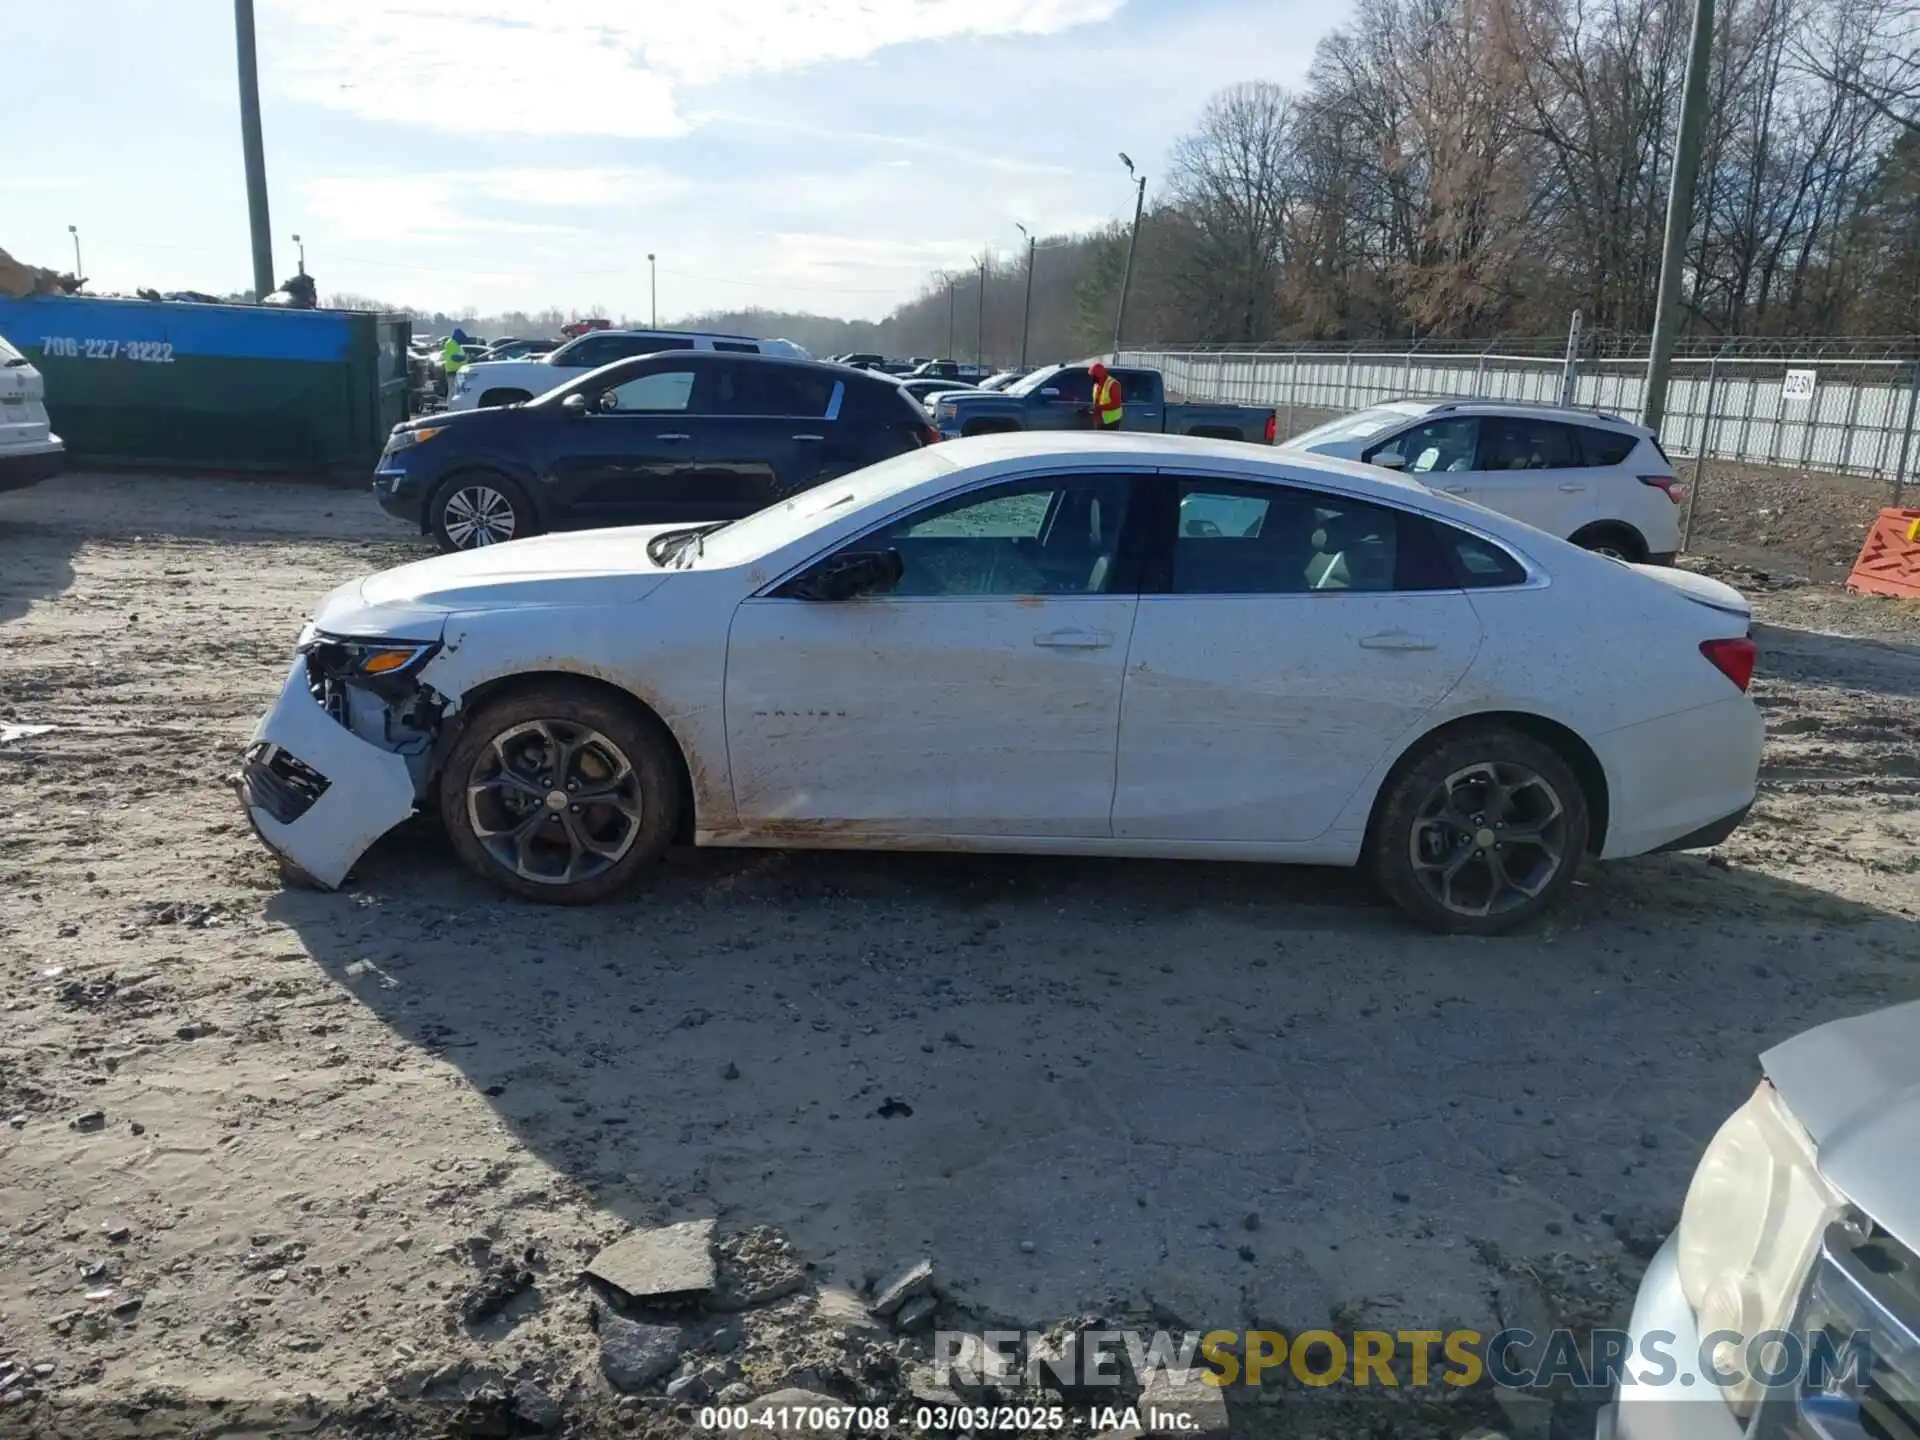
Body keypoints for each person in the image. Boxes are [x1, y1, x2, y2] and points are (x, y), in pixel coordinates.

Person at [1087, 361, 1124, 430]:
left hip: (1111, 421)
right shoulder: (1096, 385)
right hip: (1099, 421)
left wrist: (1099, 408)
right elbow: (1097, 401)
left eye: (1093, 376)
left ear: (1098, 376)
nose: (1091, 378)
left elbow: (1116, 404)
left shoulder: (1113, 384)